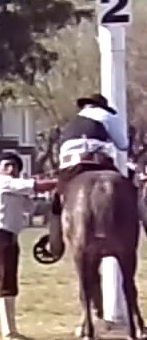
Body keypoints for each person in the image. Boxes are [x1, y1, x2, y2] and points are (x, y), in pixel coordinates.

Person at [43, 93, 131, 259]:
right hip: (100, 161)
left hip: (70, 166)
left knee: (57, 201)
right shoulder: (107, 115)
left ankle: (54, 245)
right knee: (130, 193)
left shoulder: (71, 123)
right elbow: (123, 145)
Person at [0, 150, 58, 340]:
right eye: (6, 165)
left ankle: (11, 329)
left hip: (10, 239)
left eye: (14, 166)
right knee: (6, 283)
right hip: (0, 238)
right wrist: (61, 181)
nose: (10, 169)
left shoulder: (15, 189)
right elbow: (36, 186)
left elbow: (32, 208)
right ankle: (8, 331)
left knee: (10, 283)